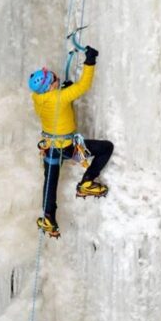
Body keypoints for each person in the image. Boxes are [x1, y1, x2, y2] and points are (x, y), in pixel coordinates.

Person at [28, 46, 113, 238]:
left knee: (50, 182)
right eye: (53, 78)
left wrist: (62, 88)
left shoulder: (37, 98)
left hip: (50, 148)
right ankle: (87, 181)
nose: (56, 77)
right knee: (106, 148)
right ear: (50, 86)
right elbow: (83, 85)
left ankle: (49, 218)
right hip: (68, 147)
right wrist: (90, 61)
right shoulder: (59, 97)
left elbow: (54, 100)